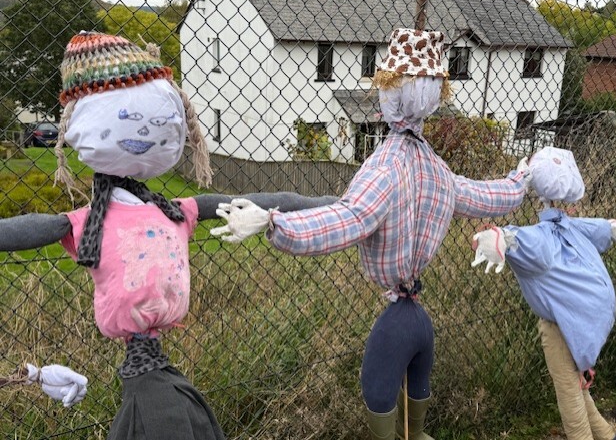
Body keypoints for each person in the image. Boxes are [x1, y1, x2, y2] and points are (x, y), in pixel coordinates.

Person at [0, 31, 337, 440]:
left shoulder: (177, 211)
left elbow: (250, 200)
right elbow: (28, 230)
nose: (148, 131)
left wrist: (324, 204)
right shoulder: (89, 221)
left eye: (160, 123)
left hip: (152, 370)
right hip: (150, 372)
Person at [211, 28, 532, 440]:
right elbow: (485, 196)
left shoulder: (383, 170)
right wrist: (520, 181)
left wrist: (274, 223)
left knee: (377, 390)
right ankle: (417, 433)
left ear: (389, 92)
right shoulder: (438, 170)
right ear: (435, 96)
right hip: (421, 319)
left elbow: (346, 220)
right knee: (417, 388)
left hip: (397, 321)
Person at [471, 146, 616, 440]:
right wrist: (611, 227)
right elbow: (595, 229)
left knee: (570, 396)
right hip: (586, 323)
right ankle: (611, 437)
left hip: (562, 328)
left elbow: (523, 240)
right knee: (579, 388)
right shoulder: (569, 230)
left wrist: (499, 238)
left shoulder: (550, 237)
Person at [0, 363, 87, 408]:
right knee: (66, 394)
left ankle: (74, 389)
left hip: (75, 387)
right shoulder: (44, 387)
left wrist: (77, 381)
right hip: (72, 389)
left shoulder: (48, 372)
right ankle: (74, 390)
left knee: (69, 393)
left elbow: (66, 374)